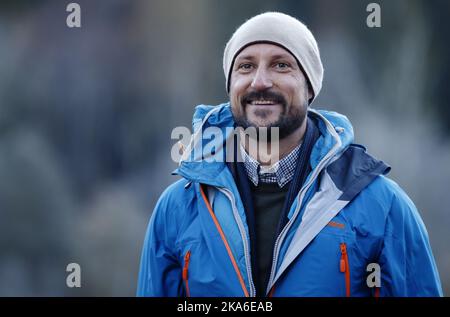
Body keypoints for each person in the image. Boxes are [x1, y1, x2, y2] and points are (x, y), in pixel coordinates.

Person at [136, 12, 443, 297]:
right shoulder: (177, 209)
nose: (260, 81)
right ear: (231, 87)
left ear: (309, 87)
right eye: (245, 66)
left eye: (281, 65)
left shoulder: (382, 206)